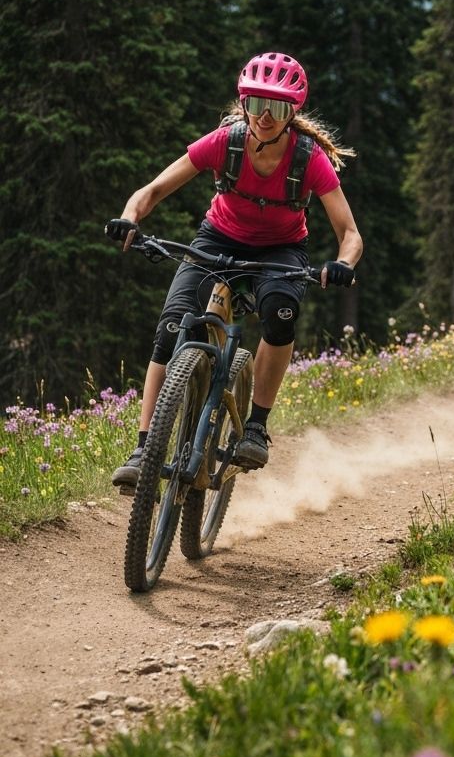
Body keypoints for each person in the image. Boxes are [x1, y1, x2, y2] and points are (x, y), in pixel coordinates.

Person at [105, 51, 363, 493]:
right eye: (256, 103)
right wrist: (131, 217)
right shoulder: (224, 143)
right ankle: (144, 448)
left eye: (278, 107)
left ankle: (256, 427)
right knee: (170, 330)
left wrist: (342, 264)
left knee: (280, 313)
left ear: (291, 112)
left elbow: (350, 232)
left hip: (280, 249)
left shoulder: (308, 158)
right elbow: (152, 191)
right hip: (217, 239)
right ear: (243, 104)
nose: (265, 116)